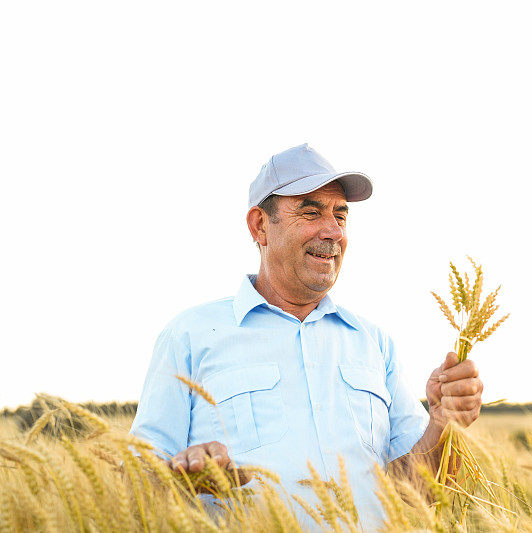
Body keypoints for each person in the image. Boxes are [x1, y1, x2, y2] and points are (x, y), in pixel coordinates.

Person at [129, 143, 483, 529]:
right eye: (311, 212)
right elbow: (136, 481)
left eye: (341, 215)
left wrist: (444, 424)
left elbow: (418, 493)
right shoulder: (189, 335)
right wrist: (183, 474)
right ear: (260, 226)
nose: (332, 231)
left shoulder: (375, 343)